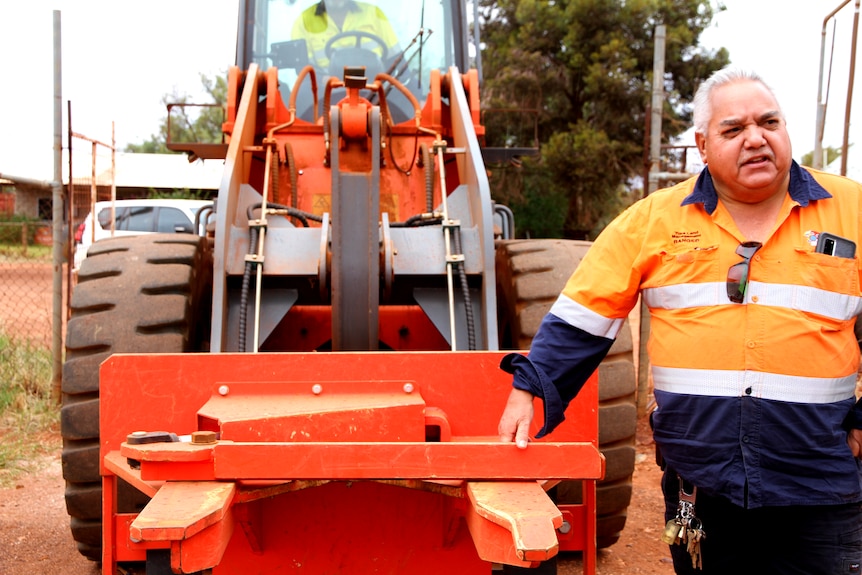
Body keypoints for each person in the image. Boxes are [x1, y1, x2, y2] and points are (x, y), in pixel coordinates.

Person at [497, 66, 862, 574]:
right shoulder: (653, 221)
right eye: (733, 130)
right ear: (703, 145)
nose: (755, 139)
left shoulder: (852, 210)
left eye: (769, 123)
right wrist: (532, 387)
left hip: (818, 485)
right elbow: (586, 314)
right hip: (701, 487)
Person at [291, 0, 401, 73]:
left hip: (374, 94)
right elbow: (303, 71)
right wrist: (323, 80)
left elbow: (397, 61)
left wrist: (414, 92)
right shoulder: (303, 22)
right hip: (325, 95)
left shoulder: (374, 14)